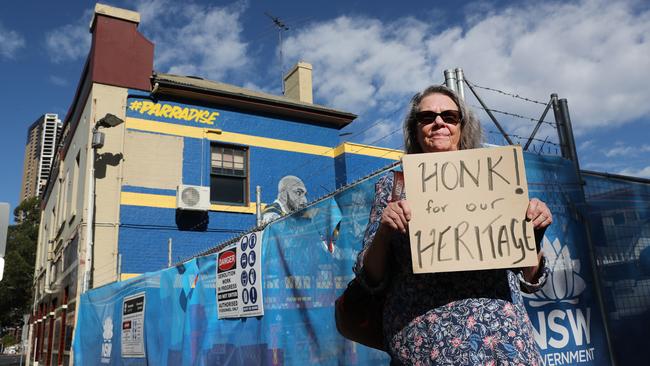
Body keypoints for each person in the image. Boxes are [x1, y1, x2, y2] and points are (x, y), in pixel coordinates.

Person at [354, 85, 552, 365]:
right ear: (415, 129)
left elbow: (530, 279)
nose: (439, 122)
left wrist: (534, 235)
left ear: (462, 125)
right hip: (426, 347)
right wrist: (385, 230)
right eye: (427, 117)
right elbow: (369, 277)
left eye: (449, 116)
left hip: (502, 345)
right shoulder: (394, 186)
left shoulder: (497, 178)